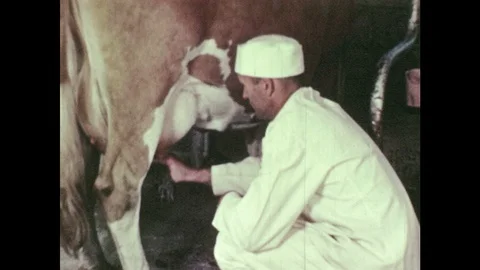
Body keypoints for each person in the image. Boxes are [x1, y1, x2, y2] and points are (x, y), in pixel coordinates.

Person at [163, 34, 420, 270]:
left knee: (233, 246)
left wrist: (228, 203)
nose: (244, 95)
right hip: (386, 242)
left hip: (378, 256)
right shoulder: (310, 108)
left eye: (247, 86)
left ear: (267, 86)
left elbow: (250, 234)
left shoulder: (296, 129)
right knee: (269, 223)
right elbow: (270, 171)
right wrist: (198, 175)